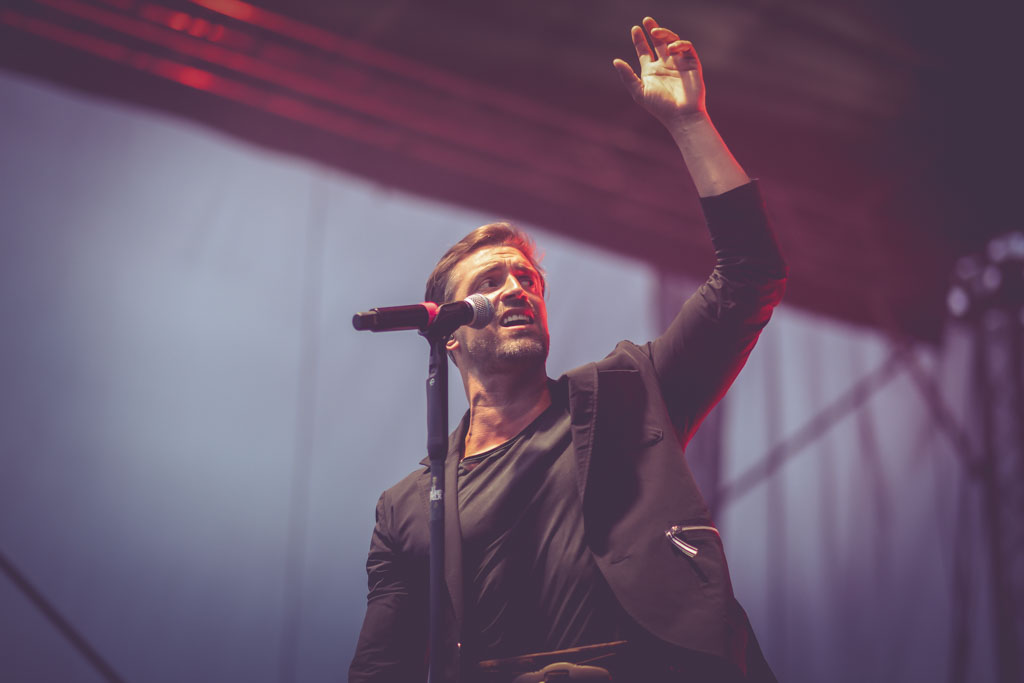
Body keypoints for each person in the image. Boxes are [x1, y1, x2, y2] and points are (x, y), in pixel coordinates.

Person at [350, 16, 786, 683]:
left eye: (527, 280)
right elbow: (382, 667)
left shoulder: (628, 392)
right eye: (490, 283)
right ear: (449, 334)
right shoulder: (407, 508)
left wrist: (690, 124)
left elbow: (750, 276)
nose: (516, 289)